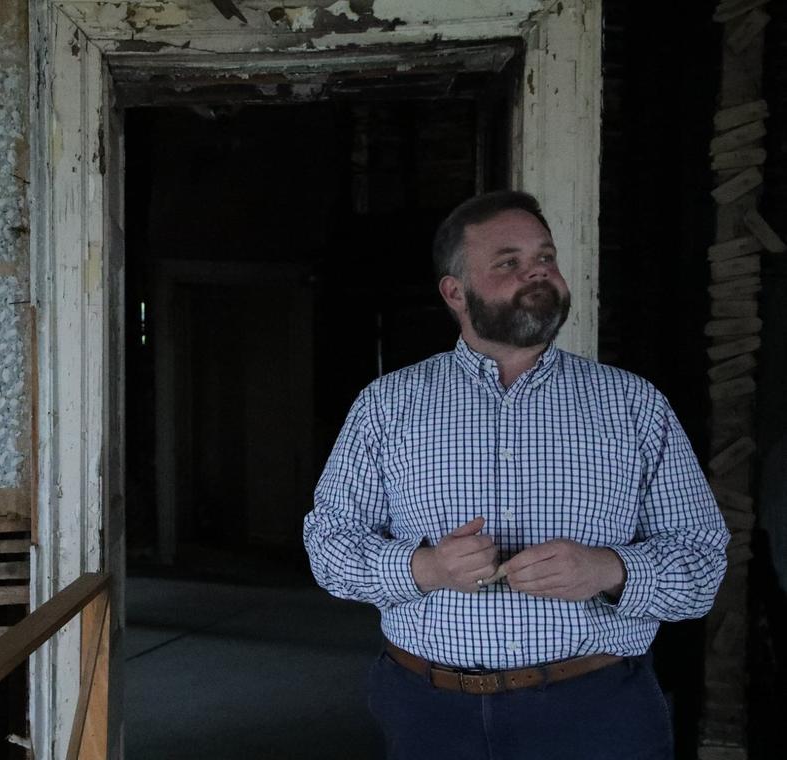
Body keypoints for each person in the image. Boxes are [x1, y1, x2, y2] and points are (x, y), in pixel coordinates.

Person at [303, 190, 729, 760]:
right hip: (429, 712)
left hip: (597, 712)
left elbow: (703, 563)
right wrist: (426, 568)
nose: (537, 272)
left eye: (545, 257)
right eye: (509, 262)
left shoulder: (633, 405)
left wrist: (607, 569)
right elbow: (328, 547)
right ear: (455, 292)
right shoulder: (387, 405)